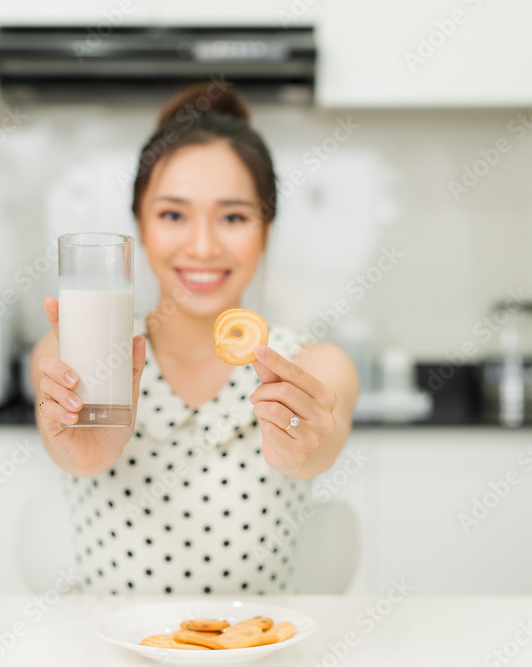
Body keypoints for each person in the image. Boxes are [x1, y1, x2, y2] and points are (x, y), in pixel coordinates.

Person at [29, 82, 359, 595]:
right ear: (139, 223)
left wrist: (299, 446)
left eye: (232, 217)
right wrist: (83, 452)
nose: (202, 246)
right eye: (173, 215)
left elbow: (319, 449)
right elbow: (71, 451)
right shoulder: (76, 353)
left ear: (266, 229)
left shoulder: (317, 367)